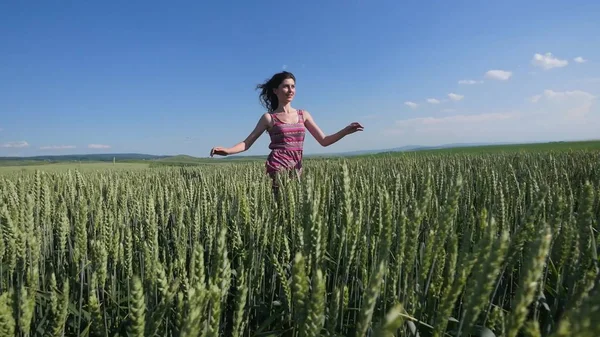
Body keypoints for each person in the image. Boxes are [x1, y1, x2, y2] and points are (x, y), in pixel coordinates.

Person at [210, 71, 363, 194]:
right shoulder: (269, 118)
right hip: (277, 168)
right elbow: (247, 143)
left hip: (297, 169)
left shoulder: (304, 115)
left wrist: (345, 131)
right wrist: (227, 151)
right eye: (286, 86)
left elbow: (324, 141)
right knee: (281, 212)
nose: (291, 90)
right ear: (275, 90)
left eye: (293, 86)